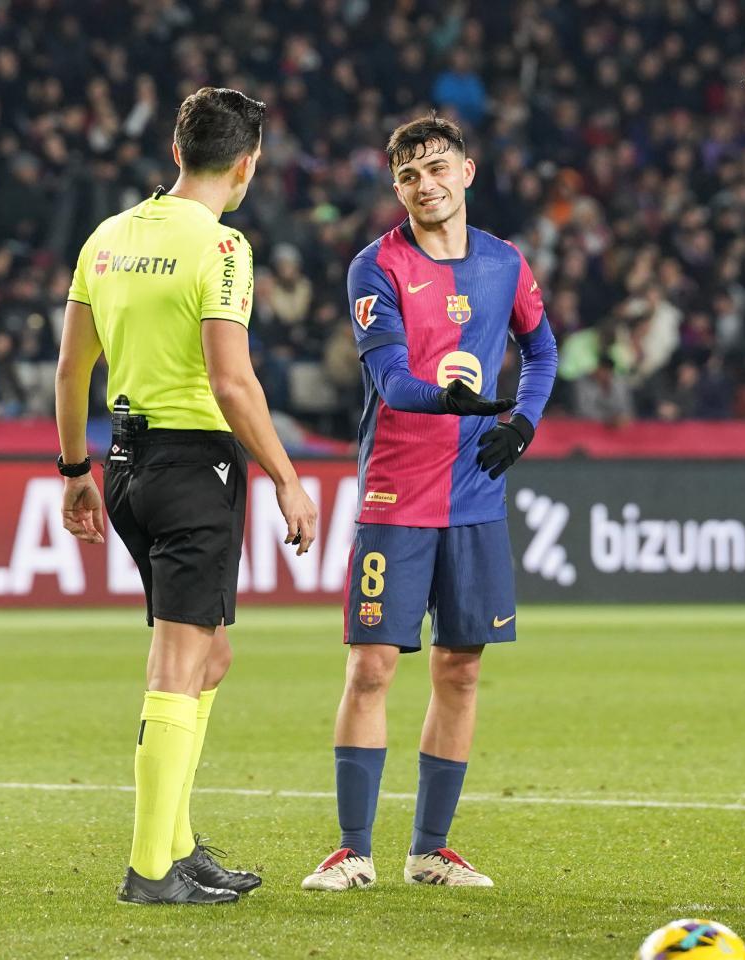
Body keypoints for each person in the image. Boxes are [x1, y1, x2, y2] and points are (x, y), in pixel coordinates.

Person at [55, 87, 319, 905]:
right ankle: (150, 870)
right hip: (192, 467)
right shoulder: (225, 249)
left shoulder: (108, 237)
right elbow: (231, 382)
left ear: (177, 152)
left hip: (127, 466)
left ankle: (176, 841)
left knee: (210, 654)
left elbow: (72, 370)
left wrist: (75, 473)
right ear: (247, 165)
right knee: (179, 661)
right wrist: (286, 476)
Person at [300, 114, 558, 892]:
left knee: (462, 668)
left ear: (468, 172)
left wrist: (522, 425)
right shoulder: (374, 267)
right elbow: (393, 383)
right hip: (395, 490)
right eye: (409, 175)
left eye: (438, 168)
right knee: (373, 666)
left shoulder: (506, 264)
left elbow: (542, 351)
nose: (426, 185)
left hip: (475, 493)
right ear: (396, 186)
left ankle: (429, 851)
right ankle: (352, 849)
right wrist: (457, 401)